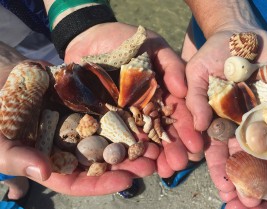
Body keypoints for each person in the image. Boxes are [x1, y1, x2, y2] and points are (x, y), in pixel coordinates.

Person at [0, 0, 204, 197]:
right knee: (64, 78)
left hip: (41, 18)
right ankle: (120, 177)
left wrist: (81, 21)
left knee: (68, 72)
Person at [182, 0, 267, 209]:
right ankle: (191, 158)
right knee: (193, 134)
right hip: (215, 30)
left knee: (200, 131)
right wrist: (225, 18)